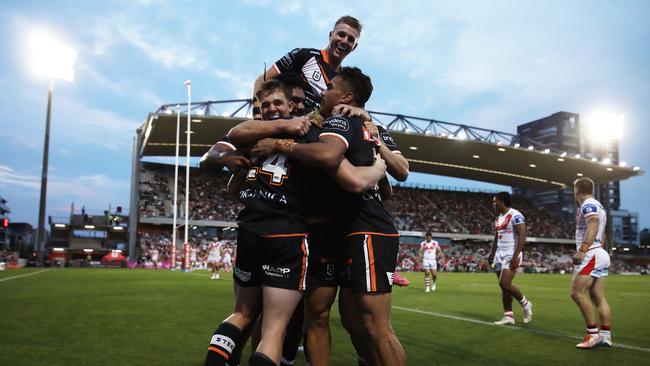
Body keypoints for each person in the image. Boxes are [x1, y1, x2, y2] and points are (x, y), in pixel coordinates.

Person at [204, 79, 385, 366]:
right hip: (288, 234)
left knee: (244, 314)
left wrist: (232, 159)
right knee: (275, 328)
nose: (271, 109)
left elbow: (224, 153)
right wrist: (378, 167)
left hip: (250, 230)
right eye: (265, 105)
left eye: (277, 103)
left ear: (291, 106)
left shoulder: (253, 134)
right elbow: (349, 177)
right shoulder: (309, 131)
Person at [252, 67, 406, 366]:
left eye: (330, 86)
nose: (322, 90)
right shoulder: (320, 123)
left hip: (359, 228)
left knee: (368, 324)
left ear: (346, 96)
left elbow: (381, 174)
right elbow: (384, 183)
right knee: (326, 316)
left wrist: (376, 160)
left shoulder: (344, 121)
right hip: (326, 233)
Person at [253, 16, 362, 113]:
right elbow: (261, 80)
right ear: (330, 35)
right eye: (341, 34)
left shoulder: (343, 81)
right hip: (285, 125)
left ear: (354, 47)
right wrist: (257, 113)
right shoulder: (304, 55)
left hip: (315, 132)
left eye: (350, 39)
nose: (344, 41)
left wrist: (364, 115)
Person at [570, 177, 612, 348]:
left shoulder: (588, 204)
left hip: (591, 253)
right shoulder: (599, 206)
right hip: (600, 252)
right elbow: (602, 234)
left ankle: (592, 335)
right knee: (597, 296)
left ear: (577, 190)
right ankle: (606, 336)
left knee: (577, 293)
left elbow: (593, 224)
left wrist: (583, 250)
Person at [487, 192, 533, 325]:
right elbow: (497, 237)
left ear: (502, 201)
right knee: (504, 288)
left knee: (505, 283)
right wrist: (492, 253)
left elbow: (523, 235)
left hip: (511, 253)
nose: (493, 204)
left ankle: (526, 304)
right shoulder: (498, 218)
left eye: (495, 201)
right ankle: (508, 316)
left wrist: (515, 255)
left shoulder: (515, 215)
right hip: (499, 254)